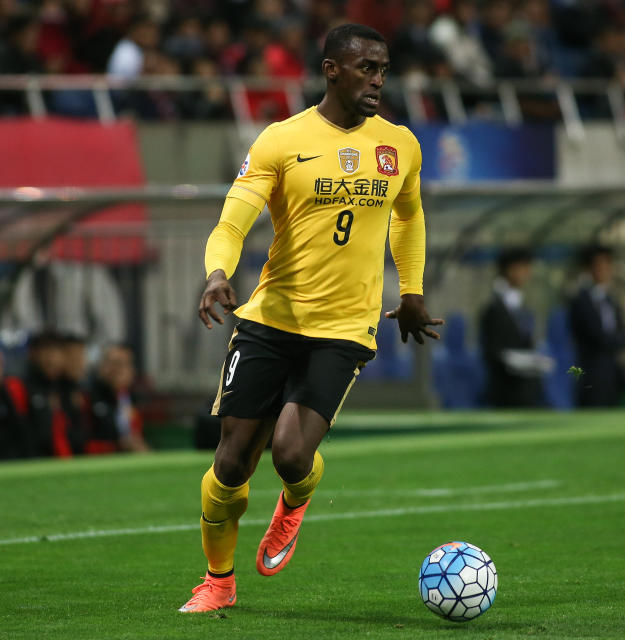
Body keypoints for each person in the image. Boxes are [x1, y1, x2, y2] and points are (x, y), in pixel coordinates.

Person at [181, 23, 442, 613]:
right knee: (230, 462)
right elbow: (233, 219)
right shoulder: (281, 139)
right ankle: (218, 582)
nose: (378, 79)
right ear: (331, 69)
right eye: (366, 68)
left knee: (292, 455)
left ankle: (294, 501)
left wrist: (414, 289)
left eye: (383, 69)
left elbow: (409, 216)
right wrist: (218, 272)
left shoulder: (400, 143)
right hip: (271, 316)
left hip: (344, 327)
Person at [479, 247, 552, 407]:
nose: (527, 273)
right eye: (523, 268)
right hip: (505, 390)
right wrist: (513, 360)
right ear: (510, 270)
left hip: (527, 387)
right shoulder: (494, 309)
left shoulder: (522, 306)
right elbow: (490, 351)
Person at [568, 244, 625, 407]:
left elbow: (623, 334)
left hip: (612, 372)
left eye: (607, 264)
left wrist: (617, 341)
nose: (603, 269)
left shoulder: (611, 300)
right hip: (589, 372)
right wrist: (613, 341)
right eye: (598, 264)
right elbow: (594, 335)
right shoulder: (581, 301)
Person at [85, 343, 149, 454]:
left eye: (125, 364)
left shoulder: (132, 399)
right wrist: (118, 446)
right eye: (114, 363)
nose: (118, 370)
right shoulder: (87, 397)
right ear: (102, 367)